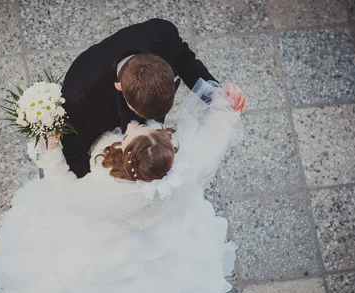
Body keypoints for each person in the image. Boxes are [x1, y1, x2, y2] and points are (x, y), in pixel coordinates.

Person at [0, 79, 244, 293]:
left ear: (127, 156)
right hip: (157, 233)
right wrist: (226, 109)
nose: (134, 126)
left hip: (107, 237)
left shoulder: (108, 188)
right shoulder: (181, 168)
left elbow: (64, 191)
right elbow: (213, 140)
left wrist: (52, 151)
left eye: (135, 133)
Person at [60, 18, 247, 178]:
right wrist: (96, 185)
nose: (153, 125)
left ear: (165, 65)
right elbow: (74, 153)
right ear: (119, 87)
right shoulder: (79, 96)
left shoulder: (161, 34)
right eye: (144, 118)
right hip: (100, 114)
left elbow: (186, 62)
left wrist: (215, 94)